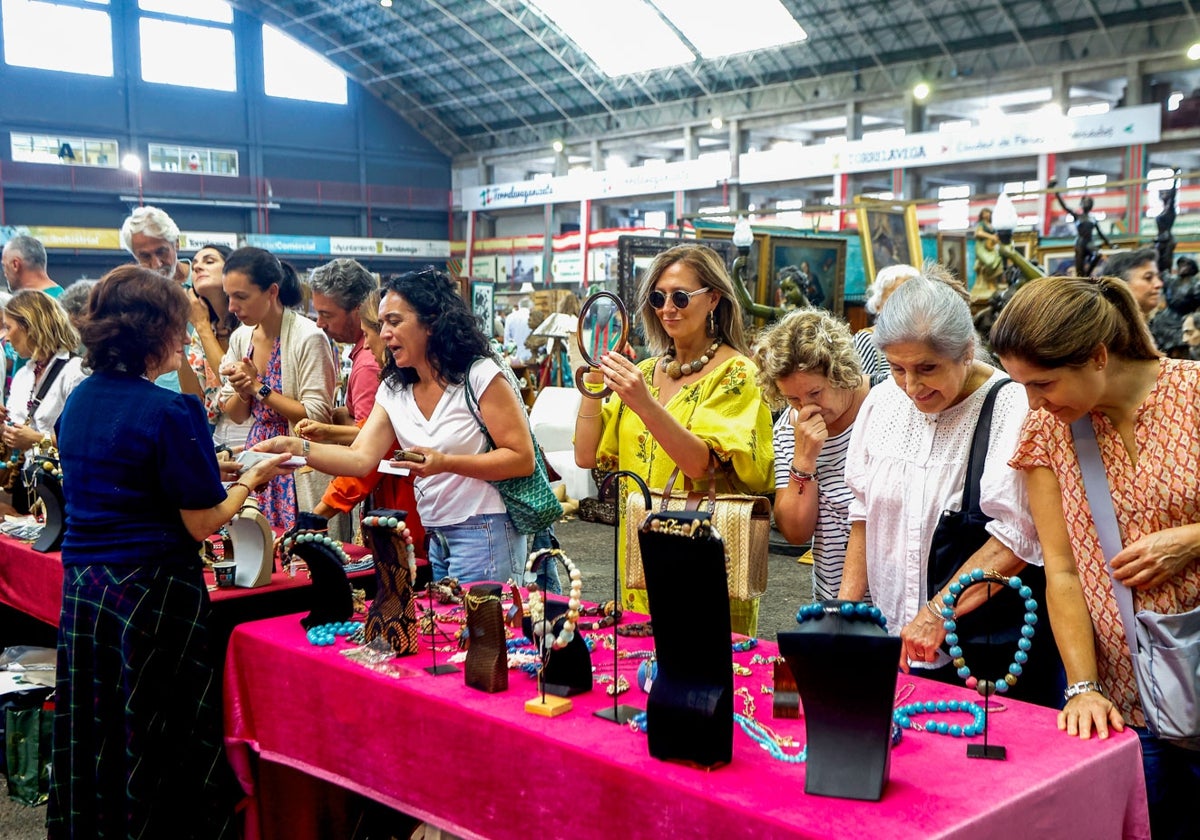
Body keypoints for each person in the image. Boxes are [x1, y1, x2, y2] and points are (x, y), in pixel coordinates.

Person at [47, 264, 293, 838]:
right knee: (160, 728)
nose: (185, 339)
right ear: (154, 332)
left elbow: (127, 477)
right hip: (151, 593)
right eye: (180, 330)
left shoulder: (80, 399)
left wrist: (217, 474)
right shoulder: (166, 411)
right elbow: (202, 522)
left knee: (102, 725)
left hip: (86, 589)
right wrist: (248, 485)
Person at [991, 275, 1200, 839]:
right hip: (1128, 699)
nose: (1034, 402)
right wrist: (1083, 686)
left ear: (1098, 356)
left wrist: (1190, 539)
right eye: (1022, 386)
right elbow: (1061, 569)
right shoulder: (1046, 430)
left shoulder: (1194, 392)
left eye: (1044, 383)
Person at [838, 274, 1060, 707]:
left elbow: (1017, 538)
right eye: (897, 368)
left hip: (985, 653)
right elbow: (863, 513)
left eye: (927, 368)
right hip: (899, 646)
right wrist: (844, 610)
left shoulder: (1012, 407)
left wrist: (938, 612)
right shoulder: (882, 403)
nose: (912, 387)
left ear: (967, 352)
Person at [251, 268, 533, 585]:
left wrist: (446, 463)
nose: (384, 333)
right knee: (448, 630)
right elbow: (360, 459)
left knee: (480, 630)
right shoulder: (394, 388)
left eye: (394, 322)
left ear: (432, 322)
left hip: (484, 529)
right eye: (382, 323)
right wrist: (295, 448)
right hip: (434, 533)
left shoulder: (479, 376)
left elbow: (521, 459)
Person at [573, 244, 774, 636]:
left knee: (705, 680)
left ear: (714, 298)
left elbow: (701, 464)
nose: (668, 308)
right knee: (641, 668)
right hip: (641, 554)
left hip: (708, 555)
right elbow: (585, 455)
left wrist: (644, 404)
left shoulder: (737, 375)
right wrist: (591, 383)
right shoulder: (645, 373)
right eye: (657, 297)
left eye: (681, 297)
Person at [754, 309, 870, 601]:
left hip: (898, 604)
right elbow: (795, 532)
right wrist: (804, 460)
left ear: (840, 371)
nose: (806, 408)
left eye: (815, 393)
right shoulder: (789, 428)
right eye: (793, 399)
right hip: (830, 598)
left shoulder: (881, 404)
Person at [218, 247, 338, 529]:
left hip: (298, 460)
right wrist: (242, 390)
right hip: (258, 458)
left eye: (241, 297)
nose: (232, 307)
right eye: (229, 297)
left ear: (272, 292)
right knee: (256, 543)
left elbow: (316, 415)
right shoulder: (241, 337)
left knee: (299, 551)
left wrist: (258, 387)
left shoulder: (309, 337)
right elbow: (235, 414)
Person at [302, 288, 426, 555]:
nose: (368, 345)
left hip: (409, 509)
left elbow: (365, 462)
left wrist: (317, 515)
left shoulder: (392, 378)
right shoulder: (399, 381)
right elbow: (370, 435)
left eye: (369, 335)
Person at [0, 290, 87, 512]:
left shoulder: (76, 372)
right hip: (28, 483)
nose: (6, 337)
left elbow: (85, 439)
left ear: (30, 325)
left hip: (64, 488)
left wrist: (37, 439)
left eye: (9, 327)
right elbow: (17, 434)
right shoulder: (23, 374)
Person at [180, 244, 251, 449]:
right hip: (219, 438)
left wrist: (202, 327)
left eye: (209, 261)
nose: (198, 268)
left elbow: (234, 381)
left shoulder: (250, 322)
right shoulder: (203, 327)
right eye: (194, 266)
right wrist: (177, 345)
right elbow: (195, 397)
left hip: (255, 432)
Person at [308, 258, 380, 424]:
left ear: (359, 310)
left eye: (327, 315)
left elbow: (367, 440)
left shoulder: (368, 363)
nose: (319, 323)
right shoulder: (365, 354)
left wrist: (332, 424)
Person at [1051, 183, 1113, 278]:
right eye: (1085, 202)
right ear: (1081, 204)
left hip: (1089, 242)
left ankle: (1087, 275)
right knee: (1079, 269)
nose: (1087, 204)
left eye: (1089, 202)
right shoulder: (1077, 216)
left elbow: (1101, 233)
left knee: (1097, 254)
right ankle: (1083, 279)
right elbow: (1064, 206)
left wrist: (1110, 244)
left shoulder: (1093, 219)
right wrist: (1056, 192)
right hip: (1080, 243)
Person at [120, 205, 190, 286]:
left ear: (177, 243)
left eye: (161, 252)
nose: (156, 264)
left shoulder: (205, 278)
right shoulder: (134, 293)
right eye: (145, 256)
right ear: (135, 256)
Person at [1103, 248, 1162, 324]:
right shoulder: (1107, 332)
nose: (1159, 284)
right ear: (1121, 284)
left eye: (1158, 276)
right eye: (1148, 278)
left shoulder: (1154, 324)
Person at [972, 209, 1003, 299]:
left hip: (990, 247)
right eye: (984, 213)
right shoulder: (981, 224)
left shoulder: (991, 225)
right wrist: (991, 236)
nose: (986, 215)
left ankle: (992, 282)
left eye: (988, 213)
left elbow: (995, 236)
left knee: (998, 260)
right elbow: (978, 233)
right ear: (982, 215)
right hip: (982, 247)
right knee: (989, 262)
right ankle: (988, 281)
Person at [504, 296, 533, 364]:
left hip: (515, 358)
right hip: (531, 358)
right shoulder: (533, 318)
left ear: (519, 306)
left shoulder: (510, 317)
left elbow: (507, 340)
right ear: (531, 307)